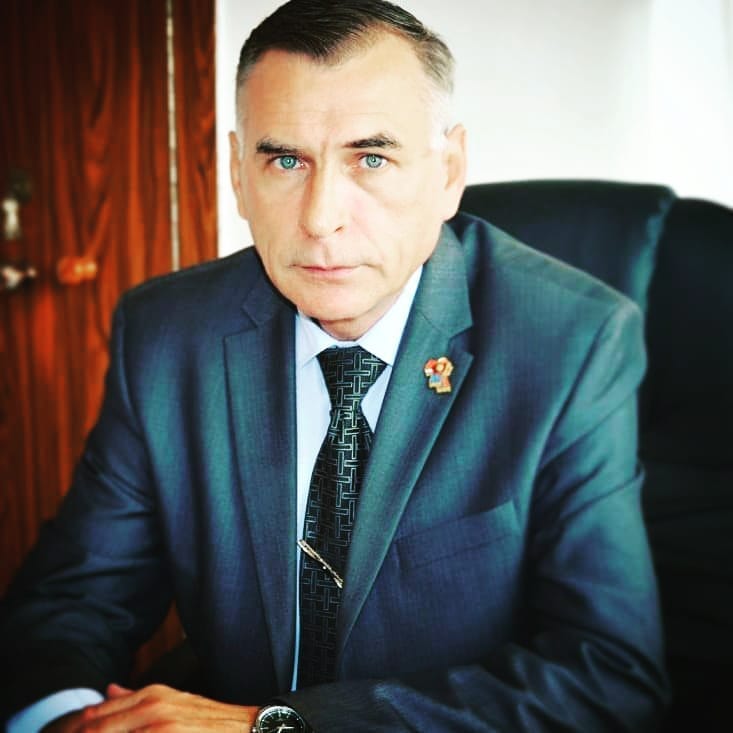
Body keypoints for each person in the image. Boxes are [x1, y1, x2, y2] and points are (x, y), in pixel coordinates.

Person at [0, 1, 668, 731]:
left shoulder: (571, 342)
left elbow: (606, 676)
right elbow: (72, 599)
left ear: (448, 173)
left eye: (370, 159)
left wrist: (270, 725)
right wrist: (65, 718)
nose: (321, 218)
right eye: (285, 160)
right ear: (238, 173)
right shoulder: (167, 333)